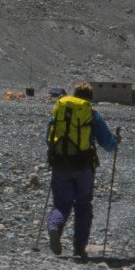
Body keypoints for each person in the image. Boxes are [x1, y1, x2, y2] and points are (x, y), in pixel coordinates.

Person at [45, 83, 119, 260]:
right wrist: (116, 142)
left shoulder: (59, 110)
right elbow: (108, 144)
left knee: (62, 203)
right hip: (84, 166)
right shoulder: (92, 114)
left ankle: (54, 226)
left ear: (74, 93)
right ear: (89, 98)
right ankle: (79, 246)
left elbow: (48, 137)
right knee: (83, 204)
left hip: (61, 163)